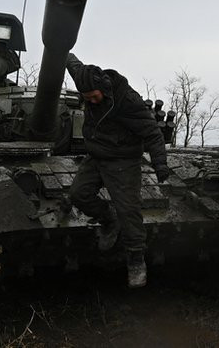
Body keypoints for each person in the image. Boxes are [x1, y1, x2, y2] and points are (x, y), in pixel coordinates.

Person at [65, 53, 170, 288]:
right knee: (78, 194)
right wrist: (61, 47)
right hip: (97, 155)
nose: (90, 101)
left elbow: (152, 133)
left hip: (123, 160)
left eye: (93, 97)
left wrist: (160, 164)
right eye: (86, 98)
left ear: (104, 88)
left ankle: (135, 260)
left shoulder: (127, 101)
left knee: (129, 210)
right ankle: (107, 218)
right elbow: (73, 63)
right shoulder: (85, 79)